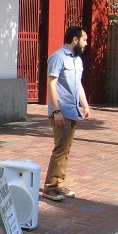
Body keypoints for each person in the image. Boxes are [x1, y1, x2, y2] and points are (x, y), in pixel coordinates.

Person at [42, 26, 91, 201]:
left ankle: (59, 184)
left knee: (66, 149)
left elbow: (78, 85)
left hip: (72, 111)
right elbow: (51, 85)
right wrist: (56, 111)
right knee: (60, 148)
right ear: (75, 40)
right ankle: (50, 187)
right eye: (84, 39)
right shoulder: (57, 57)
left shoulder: (77, 60)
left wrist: (85, 106)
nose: (87, 43)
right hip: (61, 111)